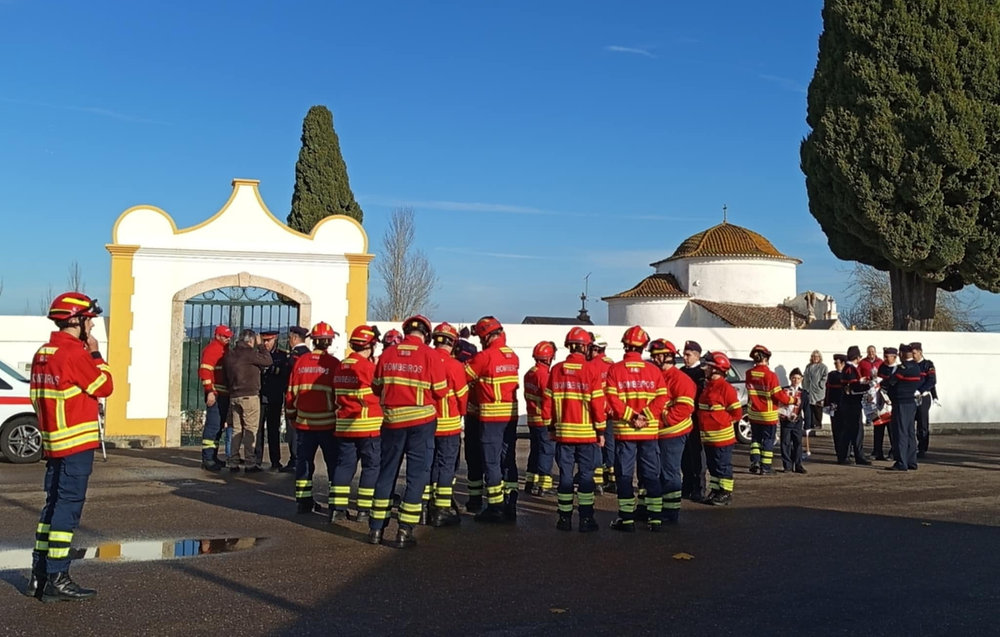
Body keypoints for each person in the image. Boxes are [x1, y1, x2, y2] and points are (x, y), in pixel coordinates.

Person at [26, 292, 114, 602]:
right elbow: (105, 386)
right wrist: (96, 353)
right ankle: (57, 578)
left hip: (54, 442)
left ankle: (39, 575)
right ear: (76, 320)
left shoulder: (43, 353)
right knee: (68, 509)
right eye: (89, 319)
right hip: (76, 443)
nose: (92, 324)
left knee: (52, 506)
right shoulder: (74, 354)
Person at [369, 315, 447, 549]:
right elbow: (441, 391)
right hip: (421, 422)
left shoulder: (387, 354)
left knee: (387, 472)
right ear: (427, 334)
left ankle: (376, 529)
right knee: (416, 475)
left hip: (392, 422)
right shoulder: (430, 355)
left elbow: (376, 387)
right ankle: (405, 530)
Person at [542, 327, 606, 532]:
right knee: (586, 477)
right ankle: (586, 519)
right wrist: (601, 431)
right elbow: (597, 404)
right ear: (585, 347)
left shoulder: (556, 370)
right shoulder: (591, 370)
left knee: (565, 476)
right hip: (587, 435)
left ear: (569, 346)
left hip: (563, 434)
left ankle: (564, 518)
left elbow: (547, 402)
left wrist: (550, 426)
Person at [604, 327, 667, 531]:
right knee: (650, 474)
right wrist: (645, 416)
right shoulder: (654, 371)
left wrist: (632, 417)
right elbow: (662, 397)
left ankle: (627, 519)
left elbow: (612, 399)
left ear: (625, 345)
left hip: (625, 431)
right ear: (644, 347)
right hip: (648, 431)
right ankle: (655, 519)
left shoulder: (615, 370)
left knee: (624, 475)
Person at [465, 316, 520, 523]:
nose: (480, 341)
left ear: (486, 336)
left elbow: (463, 376)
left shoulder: (484, 357)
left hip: (491, 416)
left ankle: (495, 507)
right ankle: (510, 502)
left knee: (491, 462)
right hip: (510, 415)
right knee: (508, 459)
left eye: (481, 337)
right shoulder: (512, 356)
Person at [330, 325, 382, 523]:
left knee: (344, 466)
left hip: (344, 425)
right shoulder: (368, 368)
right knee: (371, 467)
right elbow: (381, 391)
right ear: (370, 345)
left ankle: (338, 509)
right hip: (368, 426)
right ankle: (364, 510)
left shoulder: (341, 366)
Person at [286, 322, 340, 513]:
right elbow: (339, 395)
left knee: (304, 463)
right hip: (328, 424)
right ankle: (335, 504)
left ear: (313, 341)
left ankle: (303, 501)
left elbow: (291, 393)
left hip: (304, 424)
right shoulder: (334, 364)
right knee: (333, 464)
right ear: (330, 341)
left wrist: (292, 416)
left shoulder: (301, 362)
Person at [426, 322, 469, 527]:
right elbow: (462, 396)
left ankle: (426, 505)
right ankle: (442, 509)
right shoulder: (454, 365)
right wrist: (461, 414)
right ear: (453, 343)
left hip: (426, 423)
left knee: (429, 464)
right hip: (449, 424)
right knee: (446, 465)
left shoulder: (425, 360)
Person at [650, 339, 696, 524]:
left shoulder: (680, 379)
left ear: (667, 356)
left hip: (673, 432)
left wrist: (663, 419)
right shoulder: (656, 375)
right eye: (653, 356)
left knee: (669, 471)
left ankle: (670, 511)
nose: (654, 359)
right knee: (652, 471)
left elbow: (684, 408)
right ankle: (649, 507)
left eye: (657, 356)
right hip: (656, 432)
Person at [223, 329, 273, 472]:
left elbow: (225, 376)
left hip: (234, 396)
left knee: (236, 429)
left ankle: (233, 461)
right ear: (251, 340)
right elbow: (268, 361)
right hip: (249, 396)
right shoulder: (250, 354)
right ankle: (250, 462)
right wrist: (261, 346)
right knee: (250, 429)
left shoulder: (230, 355)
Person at [697, 352, 742, 506]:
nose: (705, 369)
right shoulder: (709, 386)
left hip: (721, 437)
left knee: (722, 466)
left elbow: (736, 413)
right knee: (713, 466)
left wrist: (721, 422)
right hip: (708, 437)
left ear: (716, 369)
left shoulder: (725, 388)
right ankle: (716, 490)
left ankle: (725, 492)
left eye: (708, 367)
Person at [745, 345, 793, 475]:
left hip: (753, 412)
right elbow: (778, 395)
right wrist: (792, 400)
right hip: (768, 414)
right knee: (768, 440)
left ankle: (755, 463)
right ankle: (765, 467)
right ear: (766, 358)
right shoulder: (770, 375)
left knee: (755, 439)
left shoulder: (748, 373)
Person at [524, 340, 557, 496]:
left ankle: (530, 482)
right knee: (546, 451)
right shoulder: (544, 375)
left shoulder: (530, 373)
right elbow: (549, 399)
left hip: (532, 419)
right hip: (543, 419)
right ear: (549, 358)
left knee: (535, 450)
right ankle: (544, 485)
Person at [883, 344, 922, 472]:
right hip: (911, 402)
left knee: (900, 433)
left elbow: (892, 381)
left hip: (901, 402)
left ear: (901, 354)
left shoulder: (903, 367)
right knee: (910, 432)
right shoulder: (916, 367)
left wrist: (881, 384)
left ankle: (901, 462)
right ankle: (911, 461)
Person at [199, 325, 232, 471]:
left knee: (218, 427)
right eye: (225, 336)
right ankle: (207, 458)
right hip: (216, 394)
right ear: (217, 336)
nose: (228, 339)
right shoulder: (212, 349)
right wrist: (209, 391)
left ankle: (213, 456)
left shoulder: (225, 349)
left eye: (229, 337)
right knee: (212, 427)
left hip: (223, 394)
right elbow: (205, 371)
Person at [278, 325, 311, 473]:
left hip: (293, 397)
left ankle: (295, 459)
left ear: (296, 338)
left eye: (290, 338)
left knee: (293, 430)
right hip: (305, 397)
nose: (288, 340)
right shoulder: (308, 354)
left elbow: (289, 376)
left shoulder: (296, 355)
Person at [256, 330, 290, 470]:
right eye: (264, 341)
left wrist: (271, 370)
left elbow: (284, 374)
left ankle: (275, 460)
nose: (266, 343)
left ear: (275, 339)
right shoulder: (258, 354)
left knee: (273, 430)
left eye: (268, 341)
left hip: (274, 397)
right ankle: (256, 460)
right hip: (260, 396)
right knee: (257, 430)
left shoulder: (282, 355)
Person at [679, 341, 708, 502]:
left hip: (696, 419)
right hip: (682, 419)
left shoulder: (701, 374)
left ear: (697, 355)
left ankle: (699, 488)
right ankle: (687, 485)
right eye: (684, 354)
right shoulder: (681, 372)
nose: (685, 357)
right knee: (684, 456)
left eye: (688, 355)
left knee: (697, 455)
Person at [587, 335, 615, 494]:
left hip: (596, 411)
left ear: (595, 349)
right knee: (610, 444)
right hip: (610, 411)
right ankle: (612, 478)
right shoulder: (612, 364)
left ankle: (597, 480)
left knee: (597, 444)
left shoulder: (591, 366)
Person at [838, 346, 872, 466]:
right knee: (854, 431)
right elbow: (853, 387)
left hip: (849, 403)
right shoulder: (850, 369)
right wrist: (868, 386)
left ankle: (849, 455)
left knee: (852, 430)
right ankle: (853, 456)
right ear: (857, 358)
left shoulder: (848, 368)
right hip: (851, 403)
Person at [779, 368, 808, 474]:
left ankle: (798, 465)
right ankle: (787, 465)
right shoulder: (784, 390)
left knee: (798, 443)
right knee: (785, 443)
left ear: (801, 379)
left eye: (798, 378)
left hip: (797, 422)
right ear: (790, 378)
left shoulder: (803, 393)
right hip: (786, 421)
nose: (796, 380)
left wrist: (808, 424)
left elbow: (807, 409)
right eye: (794, 378)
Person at [873, 347, 900, 461]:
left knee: (892, 428)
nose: (885, 358)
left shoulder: (898, 368)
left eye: (887, 356)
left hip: (892, 401)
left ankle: (893, 452)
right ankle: (877, 451)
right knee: (878, 426)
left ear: (894, 357)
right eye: (884, 356)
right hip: (881, 400)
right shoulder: (882, 367)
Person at [911, 342, 936, 458]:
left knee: (922, 423)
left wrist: (920, 391)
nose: (913, 355)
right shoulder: (910, 365)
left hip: (922, 397)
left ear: (920, 352)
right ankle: (911, 447)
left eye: (914, 353)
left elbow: (932, 381)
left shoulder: (927, 365)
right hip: (911, 397)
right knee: (910, 422)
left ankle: (922, 448)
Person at [802, 350, 828, 456]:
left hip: (818, 390)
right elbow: (805, 376)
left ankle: (818, 423)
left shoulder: (823, 367)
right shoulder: (808, 366)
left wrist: (821, 384)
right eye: (813, 356)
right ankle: (811, 423)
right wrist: (805, 386)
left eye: (817, 356)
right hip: (809, 389)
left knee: (818, 407)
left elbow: (825, 377)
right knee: (810, 407)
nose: (815, 358)